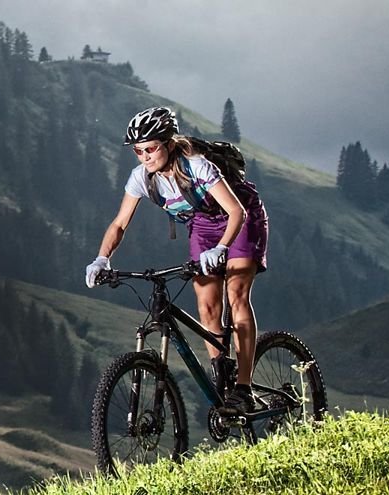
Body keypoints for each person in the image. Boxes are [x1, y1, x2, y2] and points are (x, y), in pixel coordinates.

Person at [84, 106, 270, 401]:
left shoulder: (196, 165)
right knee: (207, 307)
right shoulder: (141, 178)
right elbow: (120, 223)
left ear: (169, 144)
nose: (145, 157)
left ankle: (244, 387)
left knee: (236, 295)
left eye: (151, 149)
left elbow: (236, 211)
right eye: (138, 152)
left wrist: (222, 248)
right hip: (202, 226)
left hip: (240, 220)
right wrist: (101, 258)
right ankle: (221, 367)